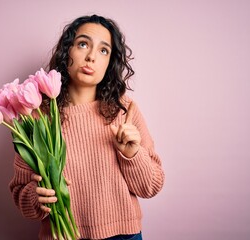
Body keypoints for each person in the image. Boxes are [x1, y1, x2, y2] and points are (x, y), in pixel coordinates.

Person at [9, 15, 165, 240]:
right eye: (83, 44)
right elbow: (21, 196)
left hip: (123, 235)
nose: (91, 57)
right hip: (61, 235)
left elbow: (151, 187)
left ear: (110, 63)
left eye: (104, 51)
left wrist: (132, 154)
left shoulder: (125, 109)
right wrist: (37, 197)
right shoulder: (36, 117)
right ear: (67, 51)